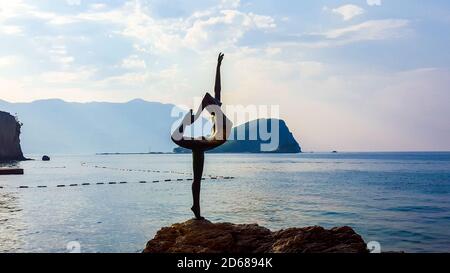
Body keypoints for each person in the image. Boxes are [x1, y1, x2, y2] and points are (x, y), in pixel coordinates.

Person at [171, 53, 232, 220]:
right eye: (214, 103)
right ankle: (196, 208)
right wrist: (197, 116)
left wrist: (218, 66)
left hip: (208, 141)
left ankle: (196, 207)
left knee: (197, 177)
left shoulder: (216, 111)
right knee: (197, 177)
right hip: (207, 141)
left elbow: (217, 89)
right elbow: (210, 95)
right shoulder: (216, 115)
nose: (217, 102)